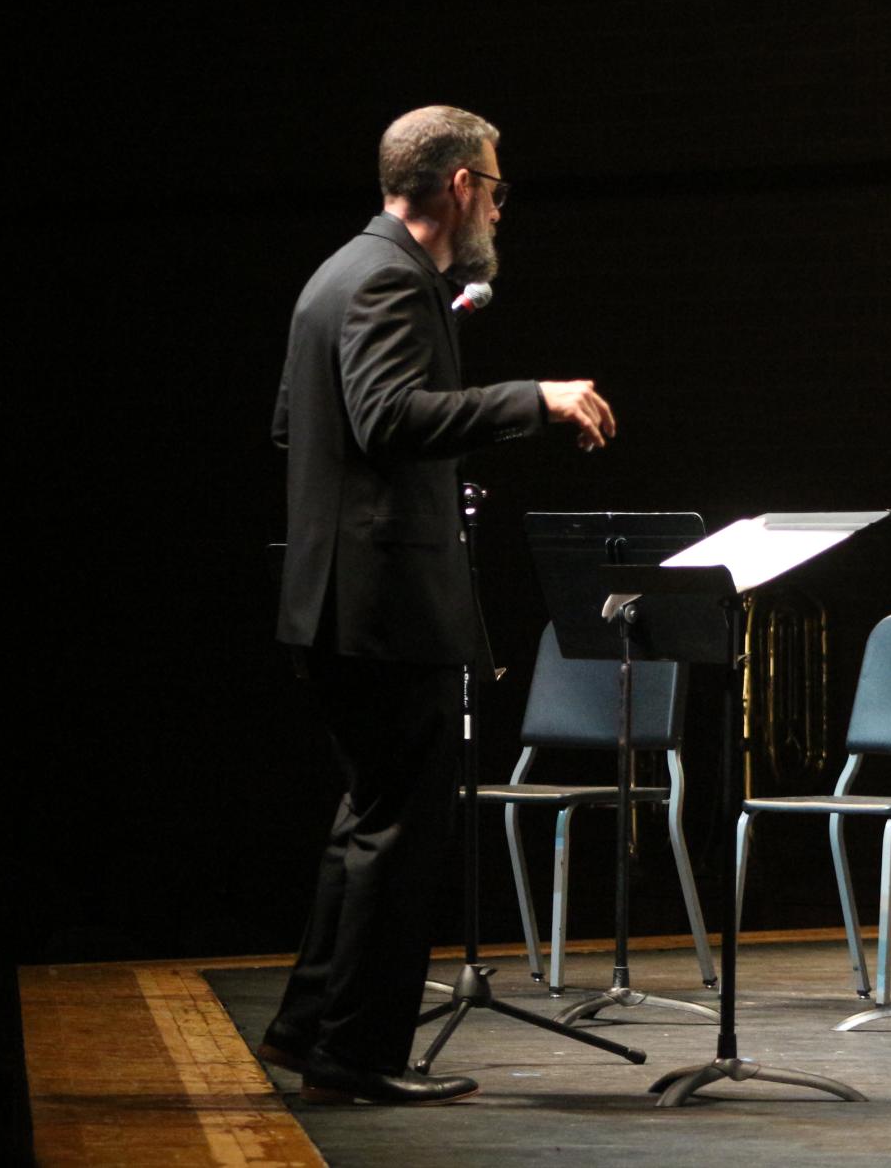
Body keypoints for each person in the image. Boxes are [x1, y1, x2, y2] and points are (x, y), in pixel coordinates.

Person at [261, 106, 615, 1105]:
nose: (499, 204)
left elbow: (298, 426)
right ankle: (357, 1048)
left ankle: (309, 1024)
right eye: (495, 185)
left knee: (368, 817)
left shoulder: (336, 275)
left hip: (342, 601)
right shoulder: (386, 279)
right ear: (459, 184)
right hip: (381, 608)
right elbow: (382, 417)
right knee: (398, 831)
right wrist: (529, 397)